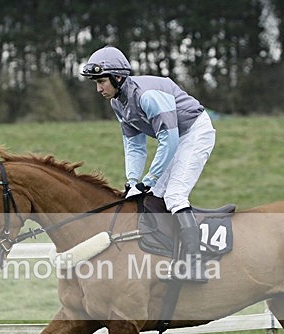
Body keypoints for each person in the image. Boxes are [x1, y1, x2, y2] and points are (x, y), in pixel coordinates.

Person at [80, 46, 216, 283]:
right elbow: (134, 145)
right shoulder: (118, 103)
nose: (99, 88)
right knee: (153, 196)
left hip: (195, 131)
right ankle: (168, 255)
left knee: (174, 196)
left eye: (102, 81)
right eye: (96, 83)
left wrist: (149, 179)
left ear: (118, 77)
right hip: (177, 137)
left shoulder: (146, 96)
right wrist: (133, 182)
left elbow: (169, 139)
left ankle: (196, 265)